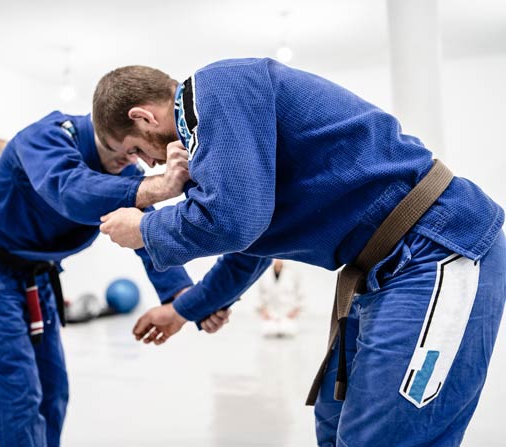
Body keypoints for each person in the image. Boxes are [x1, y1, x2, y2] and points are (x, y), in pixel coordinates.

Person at [93, 59, 505, 446]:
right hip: (385, 267)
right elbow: (246, 249)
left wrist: (145, 228)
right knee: (334, 425)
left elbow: (234, 222)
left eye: (132, 151)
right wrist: (182, 311)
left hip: (435, 248)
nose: (146, 165)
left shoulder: (213, 87)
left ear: (143, 117)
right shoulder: (220, 147)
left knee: (381, 437)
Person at [0, 112, 230, 447]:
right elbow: (74, 190)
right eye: (131, 149)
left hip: (37, 273)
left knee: (53, 389)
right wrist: (160, 186)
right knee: (18, 390)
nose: (133, 160)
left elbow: (148, 237)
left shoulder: (124, 170)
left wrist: (187, 300)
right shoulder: (45, 137)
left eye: (139, 154)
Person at [257, 260, 303, 338]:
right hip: (270, 314)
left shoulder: (292, 274)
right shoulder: (265, 273)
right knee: (269, 332)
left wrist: (296, 311)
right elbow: (259, 294)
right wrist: (263, 311)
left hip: (288, 313)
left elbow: (300, 293)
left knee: (288, 332)